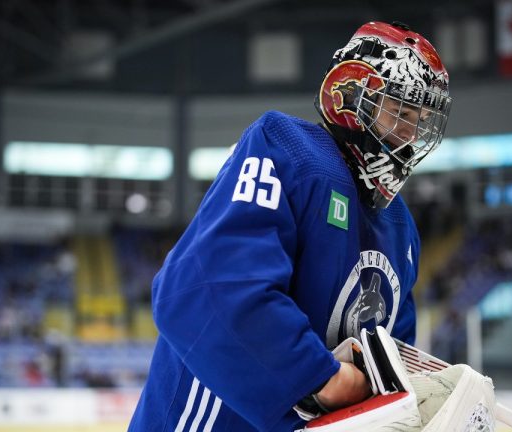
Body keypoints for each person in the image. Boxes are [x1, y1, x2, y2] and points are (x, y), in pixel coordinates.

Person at [129, 21, 451, 432]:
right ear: (350, 97)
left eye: (422, 120)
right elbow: (207, 288)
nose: (410, 133)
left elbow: (390, 361)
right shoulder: (289, 151)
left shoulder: (401, 228)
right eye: (401, 112)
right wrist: (321, 378)